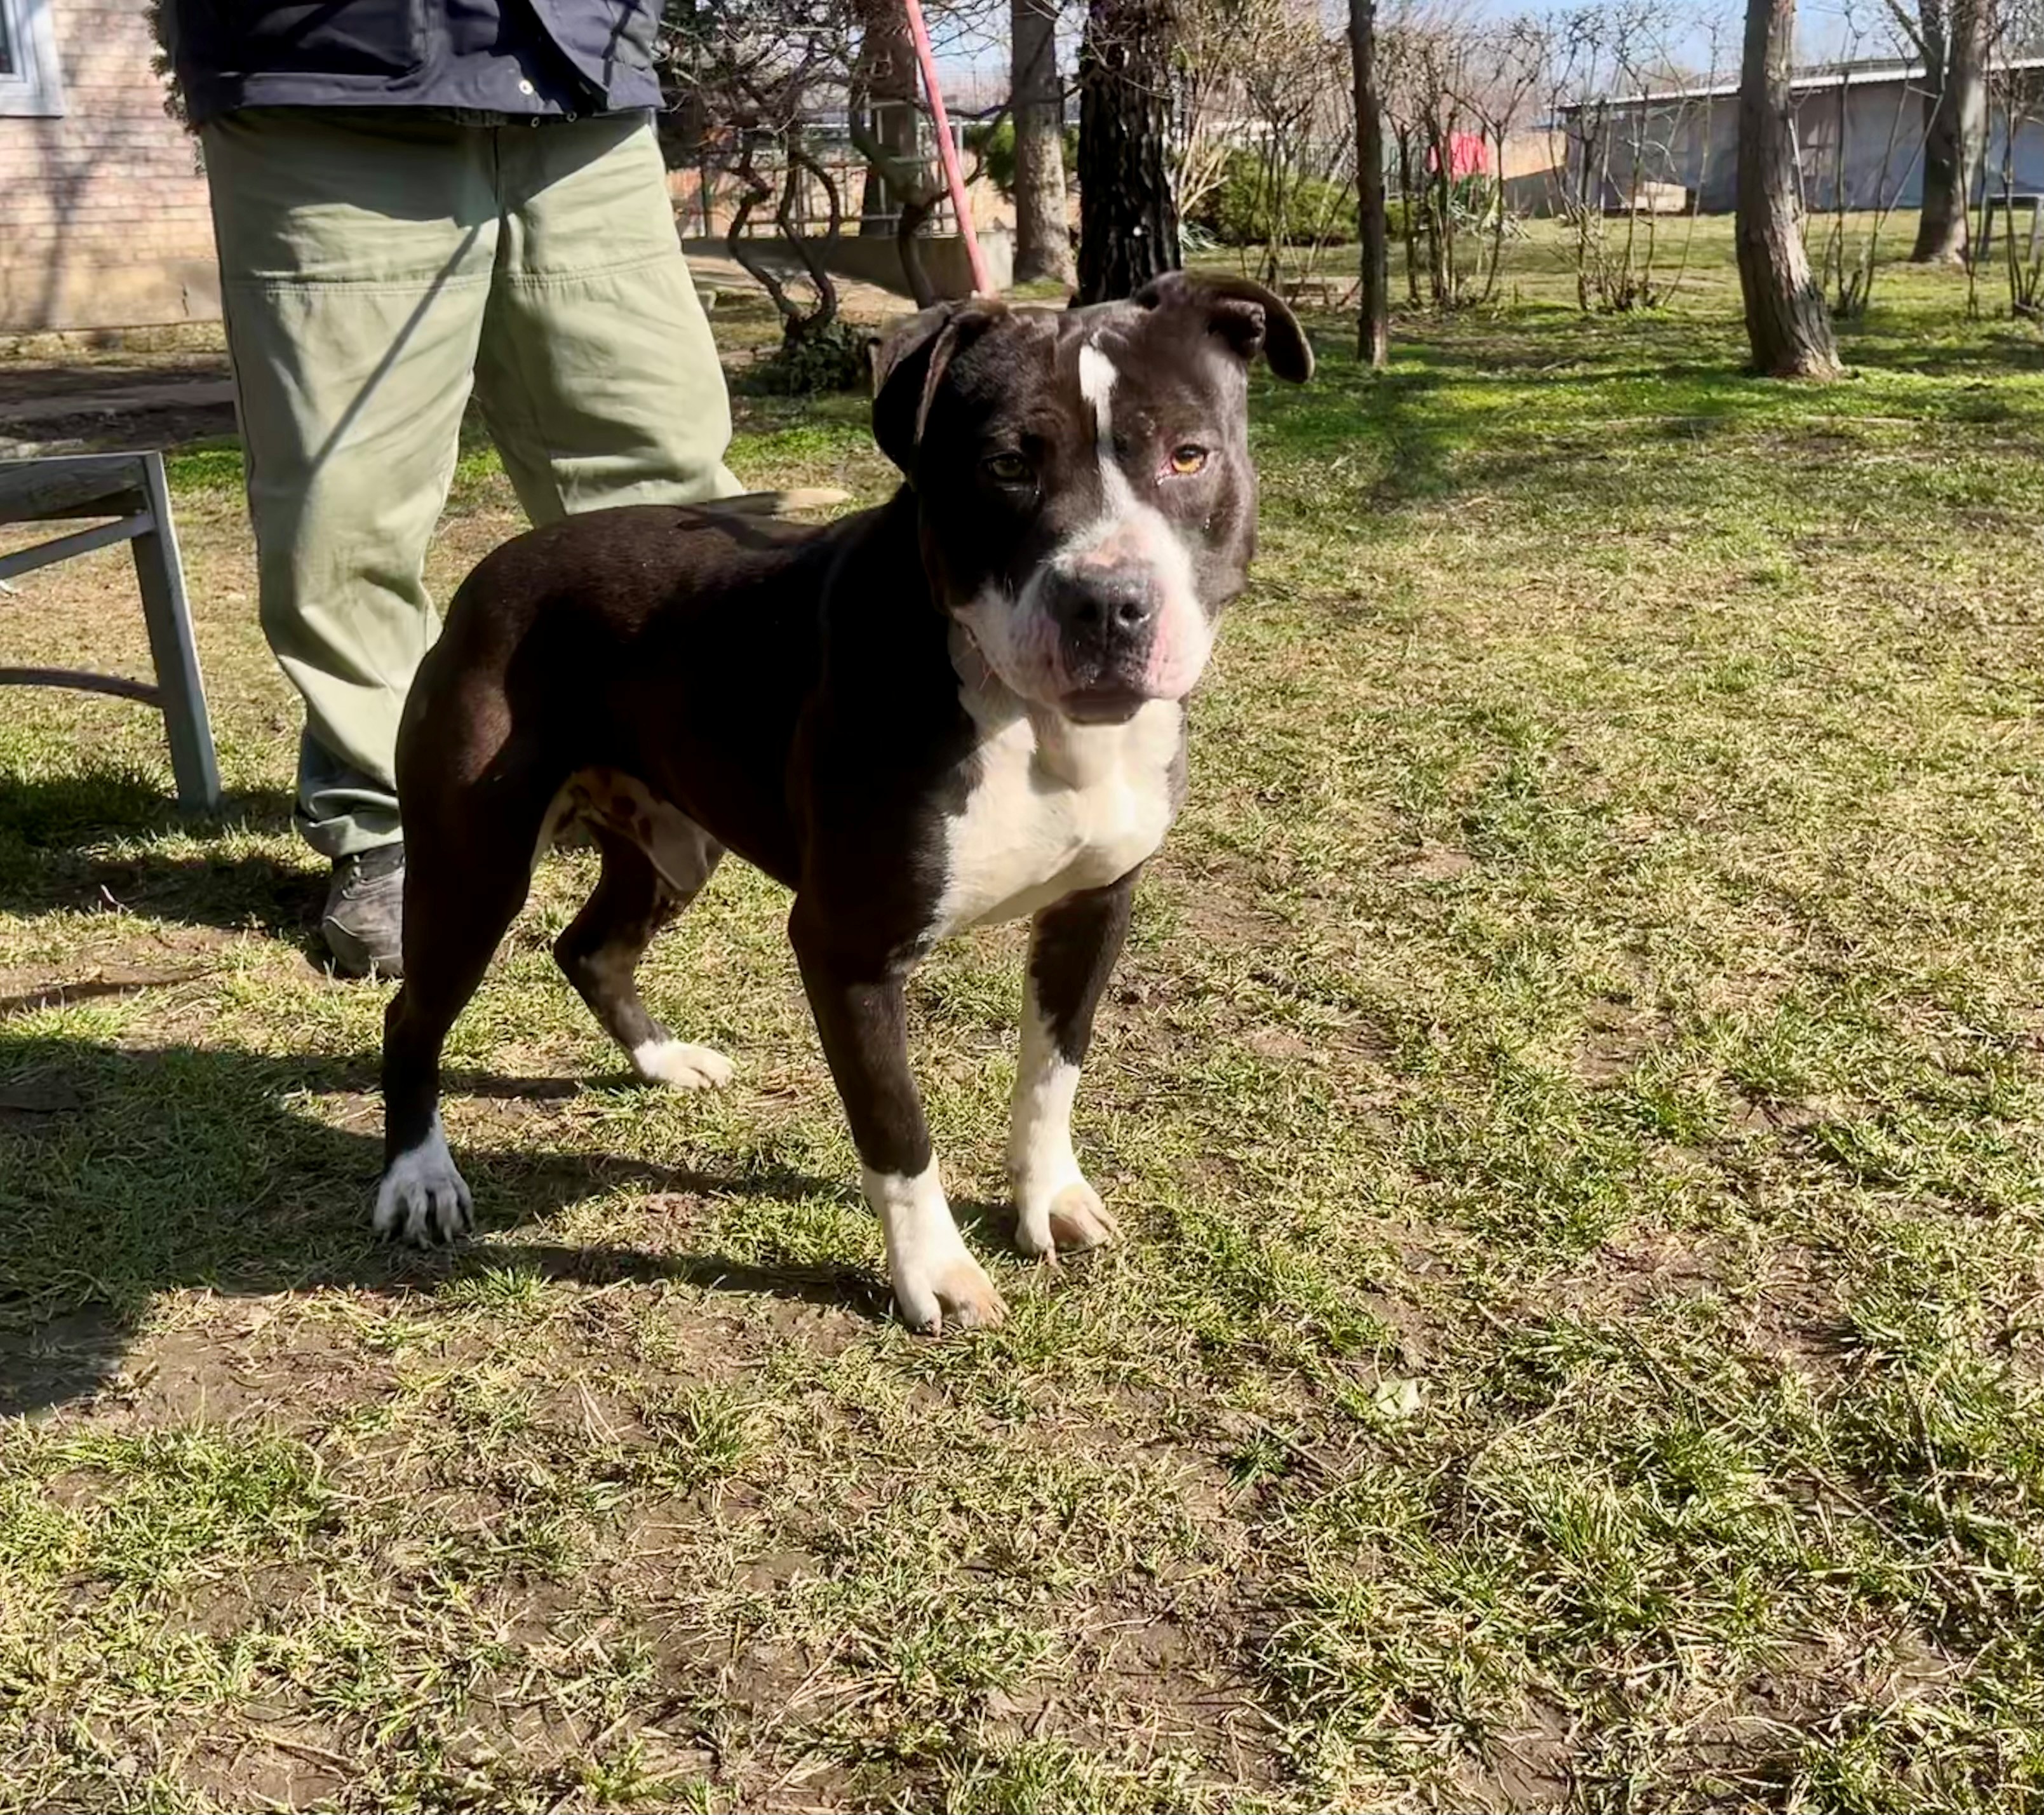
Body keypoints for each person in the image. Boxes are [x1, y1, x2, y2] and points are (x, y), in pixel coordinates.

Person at [163, 0, 743, 977]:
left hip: (577, 75)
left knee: (666, 482)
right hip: (327, 80)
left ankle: (686, 774)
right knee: (343, 513)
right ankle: (391, 826)